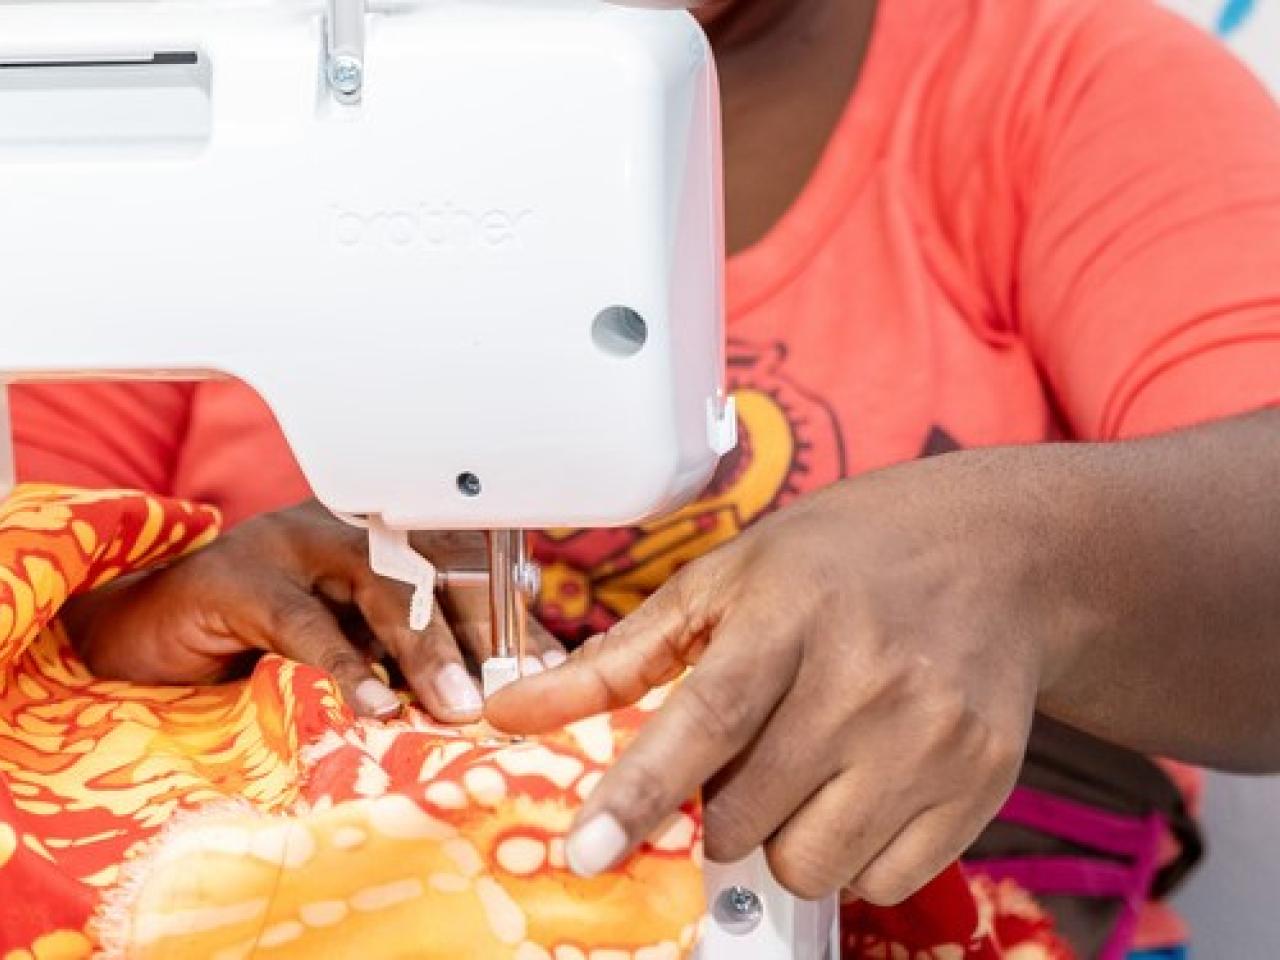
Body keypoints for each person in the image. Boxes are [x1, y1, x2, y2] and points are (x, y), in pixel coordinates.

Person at [12, 0, 1280, 954]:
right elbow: (31, 597)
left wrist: (1019, 563)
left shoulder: (1059, 83)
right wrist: (140, 620)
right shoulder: (227, 108)